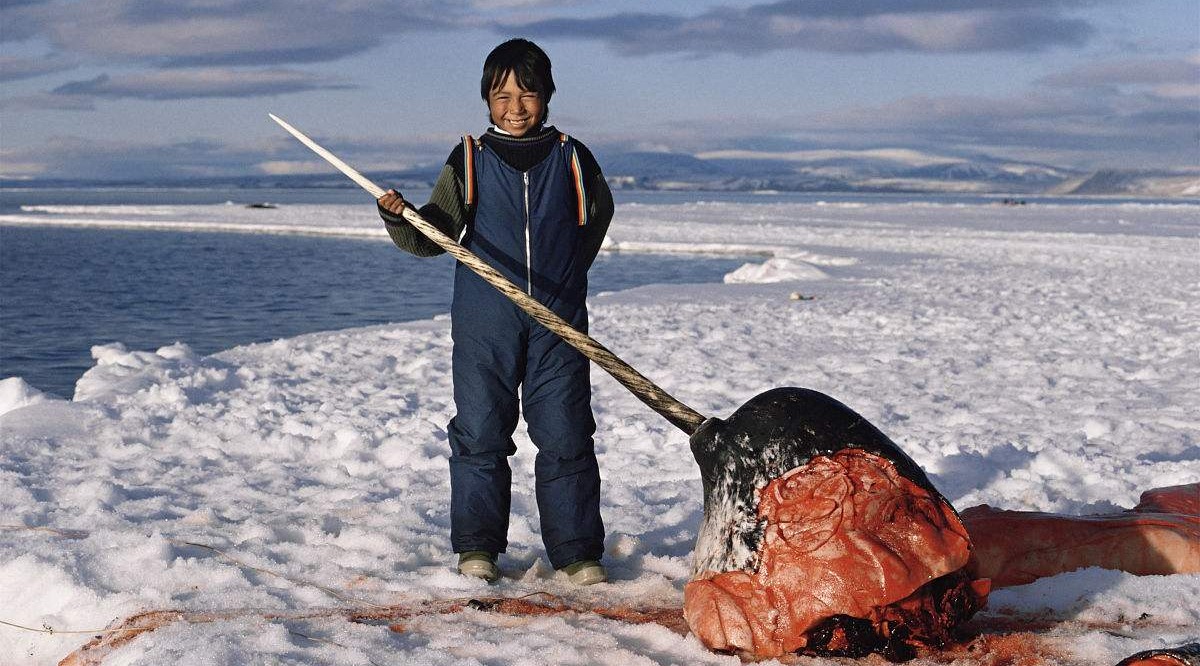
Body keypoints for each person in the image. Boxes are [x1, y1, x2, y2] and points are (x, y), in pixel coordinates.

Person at [376, 38, 614, 586]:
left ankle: (578, 554)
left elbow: (597, 216)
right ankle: (478, 548)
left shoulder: (573, 157)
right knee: (481, 431)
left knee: (566, 433)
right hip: (486, 320)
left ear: (547, 95)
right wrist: (401, 217)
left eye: (527, 93)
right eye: (501, 94)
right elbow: (430, 237)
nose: (514, 107)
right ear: (486, 99)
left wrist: (569, 275)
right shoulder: (470, 159)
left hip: (559, 323)